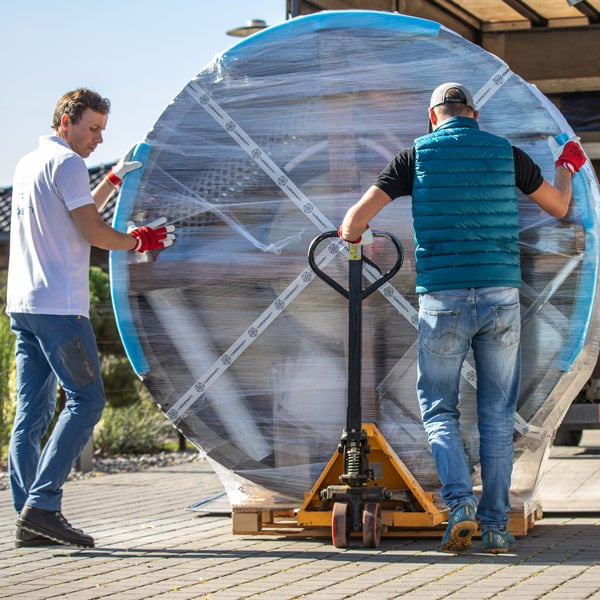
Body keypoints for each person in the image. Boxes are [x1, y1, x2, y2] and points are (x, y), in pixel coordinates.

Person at [339, 82, 586, 553]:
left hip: (442, 300)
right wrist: (565, 169)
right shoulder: (505, 153)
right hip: (501, 297)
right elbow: (558, 207)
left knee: (438, 408)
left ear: (433, 118)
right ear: (474, 115)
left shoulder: (414, 157)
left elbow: (353, 221)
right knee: (496, 416)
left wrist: (361, 240)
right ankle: (495, 526)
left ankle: (460, 508)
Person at [6, 88, 176, 549]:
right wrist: (140, 241)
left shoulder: (30, 163)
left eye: (103, 130)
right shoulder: (67, 164)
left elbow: (74, 209)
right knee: (87, 401)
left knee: (32, 414)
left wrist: (115, 180)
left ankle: (28, 514)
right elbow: (92, 231)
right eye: (93, 128)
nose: (99, 138)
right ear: (67, 120)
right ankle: (42, 506)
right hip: (60, 309)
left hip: (24, 305)